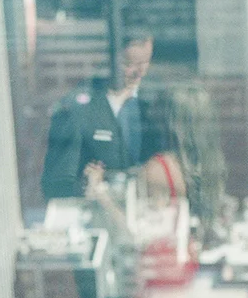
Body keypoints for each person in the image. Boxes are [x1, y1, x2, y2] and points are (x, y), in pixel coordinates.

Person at [40, 30, 159, 206]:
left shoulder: (154, 104)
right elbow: (55, 185)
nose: (138, 73)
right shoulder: (80, 108)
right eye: (129, 64)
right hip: (96, 217)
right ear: (110, 60)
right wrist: (84, 186)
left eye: (144, 63)